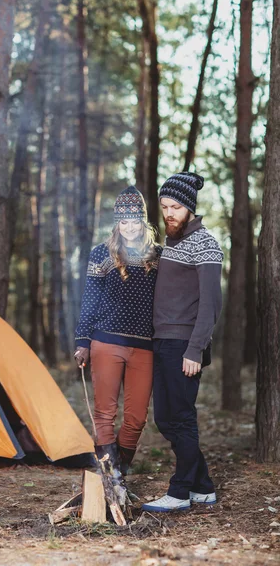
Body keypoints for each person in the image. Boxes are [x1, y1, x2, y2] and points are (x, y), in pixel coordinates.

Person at [142, 171, 223, 513]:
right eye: (164, 207)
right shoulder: (171, 246)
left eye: (175, 206)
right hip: (161, 342)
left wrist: (195, 349)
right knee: (164, 417)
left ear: (189, 207)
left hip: (184, 345)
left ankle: (179, 492)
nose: (169, 213)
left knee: (181, 417)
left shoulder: (206, 243)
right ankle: (202, 487)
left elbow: (211, 304)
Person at [74, 186, 162, 485]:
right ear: (116, 222)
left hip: (144, 346)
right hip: (106, 342)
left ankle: (119, 469)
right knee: (104, 413)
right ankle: (111, 479)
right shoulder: (102, 253)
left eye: (135, 221)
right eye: (123, 222)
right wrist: (82, 341)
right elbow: (90, 299)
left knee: (137, 417)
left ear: (143, 220)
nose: (129, 227)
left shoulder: (158, 255)